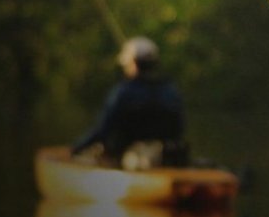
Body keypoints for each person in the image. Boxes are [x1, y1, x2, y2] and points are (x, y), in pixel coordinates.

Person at [71, 37, 187, 169]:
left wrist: (77, 147)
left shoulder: (123, 92)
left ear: (133, 64)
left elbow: (103, 130)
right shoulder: (170, 90)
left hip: (129, 159)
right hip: (168, 156)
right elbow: (179, 129)